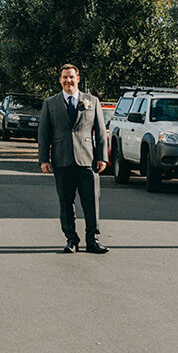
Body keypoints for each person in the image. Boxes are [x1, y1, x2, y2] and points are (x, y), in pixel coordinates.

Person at [37, 63, 109, 254]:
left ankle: (93, 240)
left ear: (78, 78)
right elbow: (43, 134)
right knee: (65, 203)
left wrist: (102, 157)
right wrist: (44, 159)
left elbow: (100, 132)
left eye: (71, 77)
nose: (68, 80)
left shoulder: (92, 101)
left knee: (91, 202)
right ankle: (71, 240)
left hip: (87, 161)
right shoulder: (50, 103)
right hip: (62, 160)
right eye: (64, 77)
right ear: (60, 80)